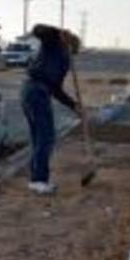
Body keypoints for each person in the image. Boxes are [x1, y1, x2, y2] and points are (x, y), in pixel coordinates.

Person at [21, 24, 80, 195]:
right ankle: (39, 180)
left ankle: (36, 179)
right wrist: (58, 33)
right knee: (46, 137)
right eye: (71, 44)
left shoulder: (64, 61)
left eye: (74, 48)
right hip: (34, 90)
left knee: (39, 138)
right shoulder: (51, 43)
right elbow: (37, 29)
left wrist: (73, 105)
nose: (72, 49)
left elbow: (55, 89)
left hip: (39, 92)